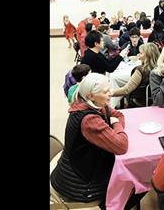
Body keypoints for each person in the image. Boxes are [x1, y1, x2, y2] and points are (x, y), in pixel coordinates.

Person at [51, 73, 144, 210]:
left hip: (79, 165)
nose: (111, 93)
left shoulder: (93, 104)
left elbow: (118, 114)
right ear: (90, 95)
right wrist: (116, 126)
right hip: (81, 181)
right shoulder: (89, 120)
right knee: (138, 180)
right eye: (105, 92)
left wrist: (114, 125)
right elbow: (121, 146)